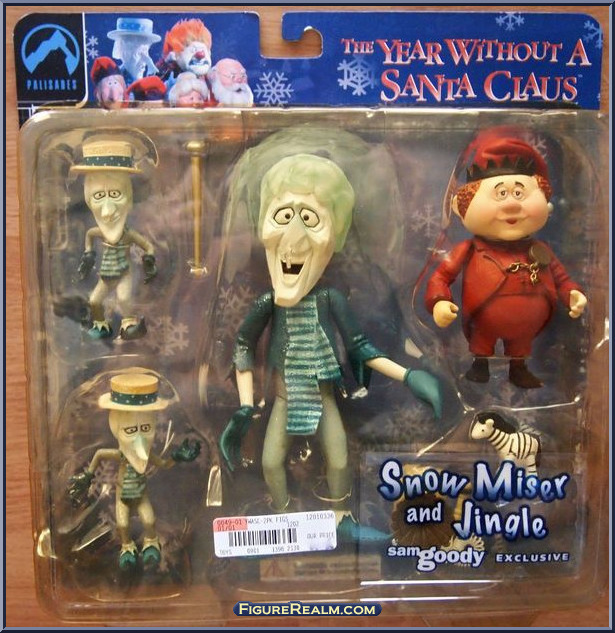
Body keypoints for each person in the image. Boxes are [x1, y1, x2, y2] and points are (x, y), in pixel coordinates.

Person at [220, 154, 441, 539]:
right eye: (282, 216)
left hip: (324, 400)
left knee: (339, 462)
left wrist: (409, 376)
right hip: (285, 400)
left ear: (336, 237)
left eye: (310, 219)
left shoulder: (330, 300)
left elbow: (360, 347)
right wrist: (244, 405)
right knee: (271, 463)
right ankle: (282, 521)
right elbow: (243, 345)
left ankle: (341, 519)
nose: (293, 238)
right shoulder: (267, 304)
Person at [425, 134, 587, 388]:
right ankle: (480, 364)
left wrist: (572, 294)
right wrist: (439, 301)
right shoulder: (469, 249)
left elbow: (562, 279)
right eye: (500, 193)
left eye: (520, 193)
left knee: (520, 345)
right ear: (460, 207)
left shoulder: (539, 250)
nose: (512, 204)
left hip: (527, 325)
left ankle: (518, 368)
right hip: (483, 317)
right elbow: (441, 276)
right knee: (482, 341)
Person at [68, 373, 200, 570]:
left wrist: (178, 457)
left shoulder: (146, 456)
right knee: (122, 525)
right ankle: (127, 547)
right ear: (116, 428)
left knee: (149, 520)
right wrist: (87, 477)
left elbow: (164, 464)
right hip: (122, 497)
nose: (139, 437)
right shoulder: (121, 455)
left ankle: (151, 543)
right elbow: (99, 454)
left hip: (141, 495)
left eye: (145, 428)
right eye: (130, 430)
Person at [72, 136, 158, 340]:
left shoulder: (128, 234)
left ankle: (128, 325)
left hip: (123, 273)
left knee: (124, 299)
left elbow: (147, 246)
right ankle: (101, 325)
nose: (108, 211)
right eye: (98, 196)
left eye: (115, 195)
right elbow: (89, 236)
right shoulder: (97, 232)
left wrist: (149, 262)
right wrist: (87, 256)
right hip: (106, 275)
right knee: (95, 301)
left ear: (129, 198)